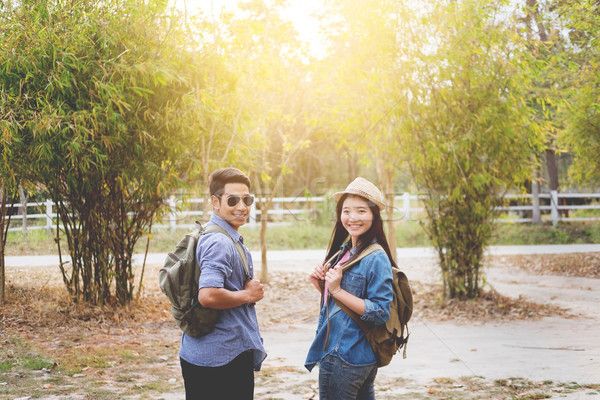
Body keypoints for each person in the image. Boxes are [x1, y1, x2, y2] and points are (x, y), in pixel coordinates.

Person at [179, 167, 266, 400]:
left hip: (204, 352)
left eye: (247, 199)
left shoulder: (217, 234)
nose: (242, 206)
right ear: (215, 202)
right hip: (223, 358)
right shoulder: (220, 241)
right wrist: (248, 295)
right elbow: (207, 295)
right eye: (233, 200)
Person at [305, 177, 395, 400]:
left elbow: (380, 311)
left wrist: (337, 291)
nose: (352, 217)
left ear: (374, 215)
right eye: (346, 211)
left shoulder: (375, 256)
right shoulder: (346, 251)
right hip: (351, 354)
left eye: (361, 211)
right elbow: (344, 305)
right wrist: (323, 286)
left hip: (344, 356)